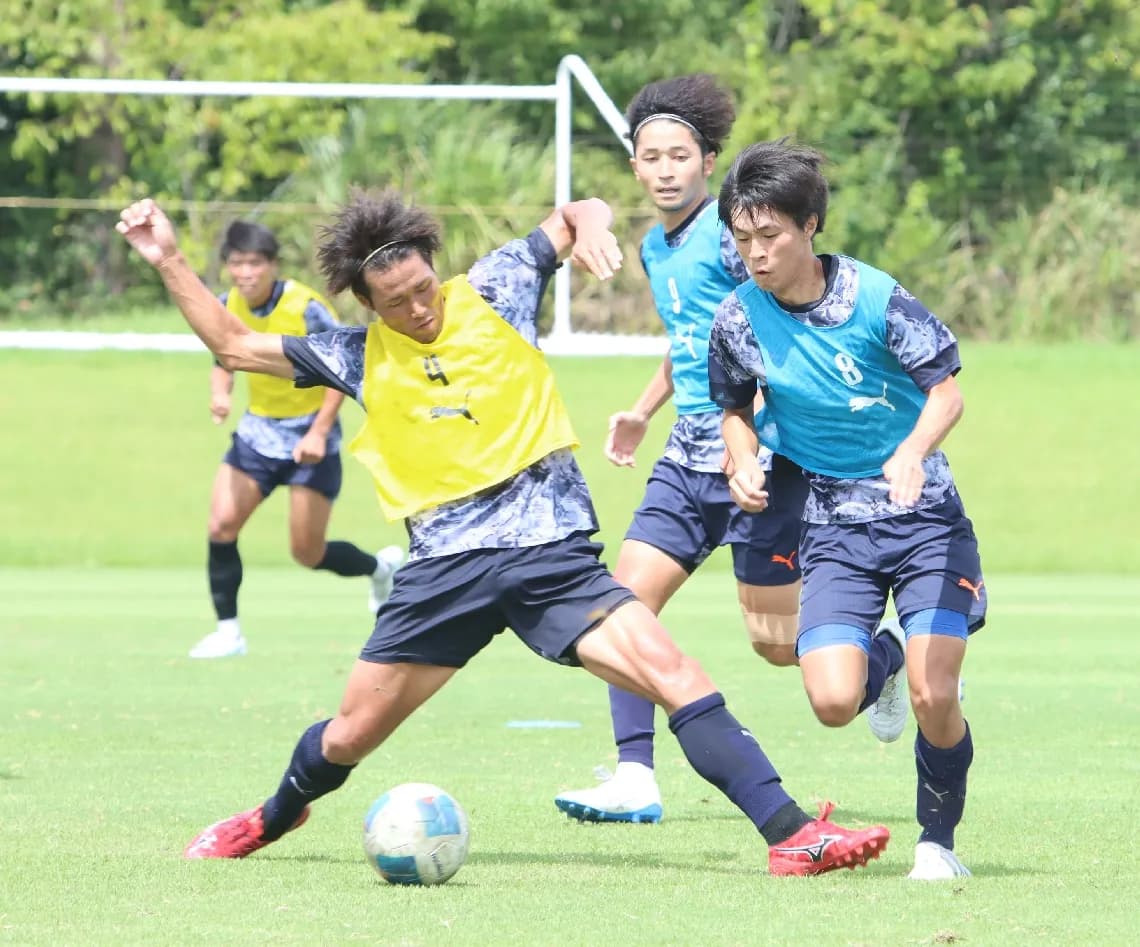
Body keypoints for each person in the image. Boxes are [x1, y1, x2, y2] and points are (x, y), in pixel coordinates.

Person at [116, 191, 889, 877]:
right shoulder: (353, 354)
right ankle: (272, 816)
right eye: (396, 304)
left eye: (423, 288)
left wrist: (589, 226)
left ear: (433, 267)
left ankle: (790, 835)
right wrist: (171, 257)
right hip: (443, 573)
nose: (419, 309)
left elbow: (577, 210)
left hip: (551, 555)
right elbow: (229, 343)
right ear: (368, 305)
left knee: (672, 668)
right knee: (349, 735)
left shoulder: (495, 285)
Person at [708, 140, 986, 880]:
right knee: (833, 700)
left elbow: (947, 390)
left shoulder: (873, 297)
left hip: (924, 518)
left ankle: (937, 844)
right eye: (742, 240)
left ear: (810, 225)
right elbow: (732, 407)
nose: (757, 254)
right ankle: (883, 660)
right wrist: (739, 458)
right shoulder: (736, 318)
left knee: (937, 693)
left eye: (770, 236)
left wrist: (913, 450)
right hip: (832, 527)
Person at [554, 75, 808, 825]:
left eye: (679, 155)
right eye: (651, 156)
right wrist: (640, 409)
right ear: (634, 166)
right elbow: (691, 342)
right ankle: (636, 774)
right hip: (683, 457)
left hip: (757, 458)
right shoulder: (652, 248)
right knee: (617, 606)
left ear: (708, 160)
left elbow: (769, 336)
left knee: (780, 646)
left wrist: (753, 439)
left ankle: (884, 662)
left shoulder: (733, 239)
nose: (665, 168)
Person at [191, 220, 404, 659]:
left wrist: (320, 430)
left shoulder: (305, 305)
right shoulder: (225, 303)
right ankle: (228, 632)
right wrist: (219, 393)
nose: (245, 273)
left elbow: (340, 368)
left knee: (307, 552)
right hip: (258, 432)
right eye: (236, 264)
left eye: (254, 263)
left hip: (310, 436)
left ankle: (380, 568)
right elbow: (223, 356)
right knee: (221, 525)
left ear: (271, 265)